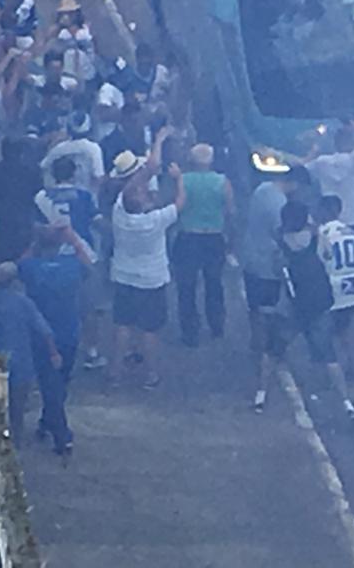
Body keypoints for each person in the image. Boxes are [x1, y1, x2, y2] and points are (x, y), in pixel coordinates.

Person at [107, 131, 182, 389]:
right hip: (151, 278)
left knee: (122, 324)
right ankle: (150, 375)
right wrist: (177, 177)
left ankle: (115, 373)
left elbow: (141, 177)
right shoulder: (154, 220)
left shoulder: (119, 210)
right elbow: (179, 202)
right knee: (150, 329)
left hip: (123, 274)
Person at [279, 201, 354, 426]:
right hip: (335, 294)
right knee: (333, 344)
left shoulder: (287, 240)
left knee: (280, 344)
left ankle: (261, 392)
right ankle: (346, 399)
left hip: (308, 299)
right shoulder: (331, 233)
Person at [20, 223, 95, 456]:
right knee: (60, 381)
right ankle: (57, 429)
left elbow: (18, 264)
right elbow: (89, 265)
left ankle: (53, 425)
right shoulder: (71, 267)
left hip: (41, 335)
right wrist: (72, 239)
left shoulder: (32, 268)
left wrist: (37, 241)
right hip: (69, 333)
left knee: (49, 382)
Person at [242, 166, 309, 395]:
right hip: (266, 266)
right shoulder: (279, 204)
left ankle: (256, 348)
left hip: (250, 258)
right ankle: (264, 353)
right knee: (267, 312)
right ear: (295, 183)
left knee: (255, 309)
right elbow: (283, 235)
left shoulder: (262, 189)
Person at [0, 261, 61, 440]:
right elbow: (44, 330)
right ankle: (15, 442)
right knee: (17, 408)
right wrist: (54, 353)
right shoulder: (23, 303)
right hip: (21, 362)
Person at [174, 143, 235, 346]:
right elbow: (230, 210)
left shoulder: (183, 180)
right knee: (214, 284)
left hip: (188, 237)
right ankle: (216, 325)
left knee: (186, 287)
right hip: (213, 237)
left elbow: (177, 207)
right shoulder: (223, 182)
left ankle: (190, 331)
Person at [315, 194, 354, 377]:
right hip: (352, 285)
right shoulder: (350, 231)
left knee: (324, 330)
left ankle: (330, 370)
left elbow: (321, 258)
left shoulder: (323, 232)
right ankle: (351, 364)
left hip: (333, 286)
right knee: (345, 329)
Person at [305, 120, 354, 232]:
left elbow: (302, 167)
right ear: (352, 142)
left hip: (326, 219)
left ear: (335, 142)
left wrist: (315, 147)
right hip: (350, 219)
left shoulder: (321, 162)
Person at [0, 136, 44, 262]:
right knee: (24, 258)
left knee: (4, 257)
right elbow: (39, 198)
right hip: (24, 221)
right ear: (21, 152)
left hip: (3, 222)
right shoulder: (32, 173)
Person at [34, 155, 100, 249]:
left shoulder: (41, 196)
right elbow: (96, 220)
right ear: (74, 174)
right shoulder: (84, 196)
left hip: (53, 251)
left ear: (53, 174)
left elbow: (38, 225)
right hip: (83, 249)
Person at [40, 111, 104, 195]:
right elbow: (98, 177)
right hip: (86, 198)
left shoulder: (58, 149)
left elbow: (43, 166)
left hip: (60, 198)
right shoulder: (94, 149)